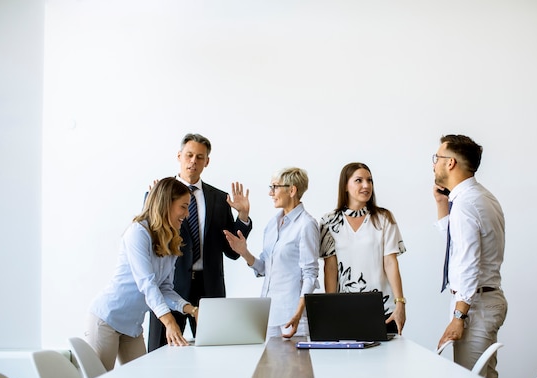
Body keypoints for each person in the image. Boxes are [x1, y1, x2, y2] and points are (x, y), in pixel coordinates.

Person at [147, 133, 252, 352]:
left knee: (212, 354)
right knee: (160, 351)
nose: (193, 161)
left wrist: (242, 217)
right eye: (189, 155)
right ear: (179, 156)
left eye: (200, 157)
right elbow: (151, 241)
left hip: (209, 288)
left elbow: (231, 252)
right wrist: (155, 201)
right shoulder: (157, 195)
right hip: (170, 285)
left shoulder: (219, 199)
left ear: (207, 162)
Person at [87, 178, 198, 371]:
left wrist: (192, 310)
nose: (187, 214)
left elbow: (164, 289)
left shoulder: (172, 240)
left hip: (132, 326)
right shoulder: (138, 232)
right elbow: (147, 284)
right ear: (167, 204)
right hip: (107, 319)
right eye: (183, 207)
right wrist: (169, 321)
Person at [432, 134, 508, 378]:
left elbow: (468, 262)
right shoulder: (480, 197)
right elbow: (457, 242)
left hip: (474, 307)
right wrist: (442, 203)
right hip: (482, 300)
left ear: (450, 163)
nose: (434, 164)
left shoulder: (466, 203)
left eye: (437, 158)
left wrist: (459, 316)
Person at [223, 167, 319, 339]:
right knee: (269, 365)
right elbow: (265, 269)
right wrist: (244, 253)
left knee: (296, 366)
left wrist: (298, 312)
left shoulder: (306, 224)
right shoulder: (272, 225)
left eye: (274, 187)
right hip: (269, 314)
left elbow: (310, 274)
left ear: (292, 190)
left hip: (293, 316)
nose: (270, 193)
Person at [319, 162, 407, 335]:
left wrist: (400, 303)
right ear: (345, 185)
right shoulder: (328, 221)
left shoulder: (384, 218)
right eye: (359, 180)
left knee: (386, 361)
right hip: (344, 309)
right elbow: (330, 268)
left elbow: (390, 262)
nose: (366, 185)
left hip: (384, 309)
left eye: (369, 180)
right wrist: (330, 307)